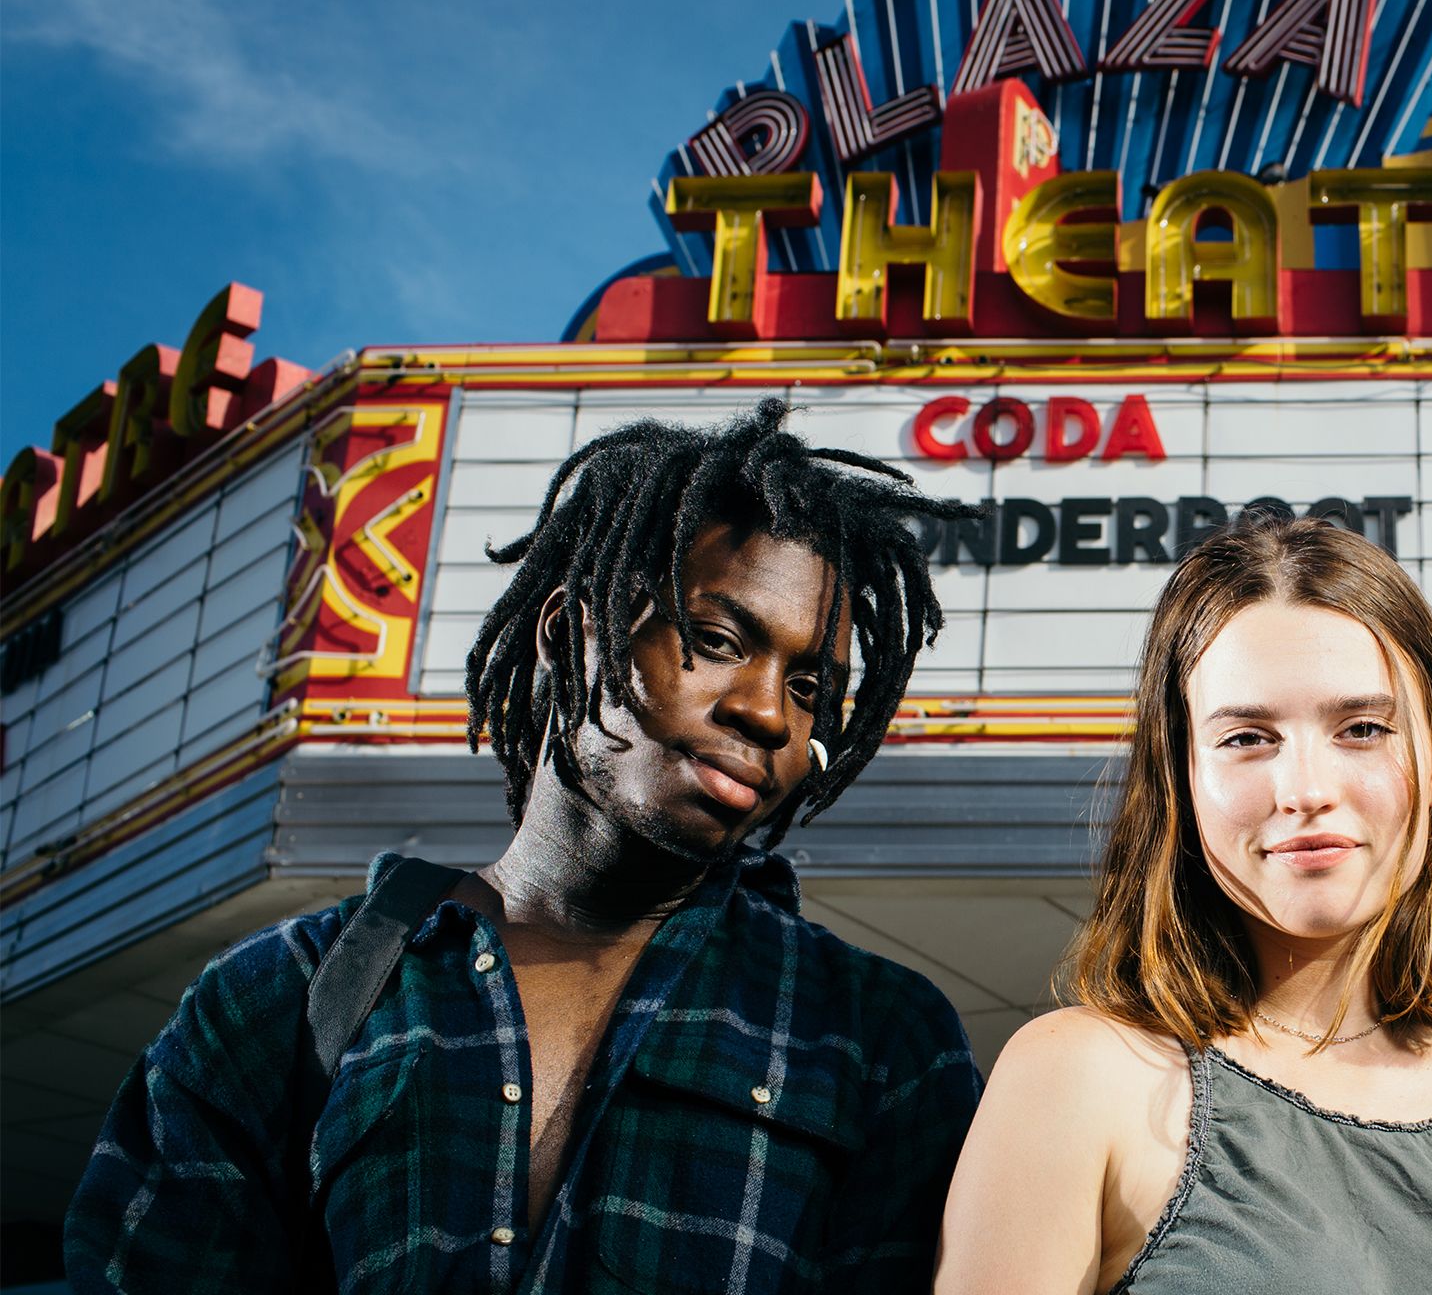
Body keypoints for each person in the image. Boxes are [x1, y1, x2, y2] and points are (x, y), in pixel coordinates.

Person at [66, 399, 982, 1294]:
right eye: (714, 639)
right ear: (567, 633)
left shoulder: (878, 1035)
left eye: (812, 687)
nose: (768, 712)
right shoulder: (279, 998)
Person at [936, 514, 1432, 1295]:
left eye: (1362, 728)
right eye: (1247, 738)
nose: (1306, 792)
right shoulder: (1081, 1078)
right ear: (1180, 772)